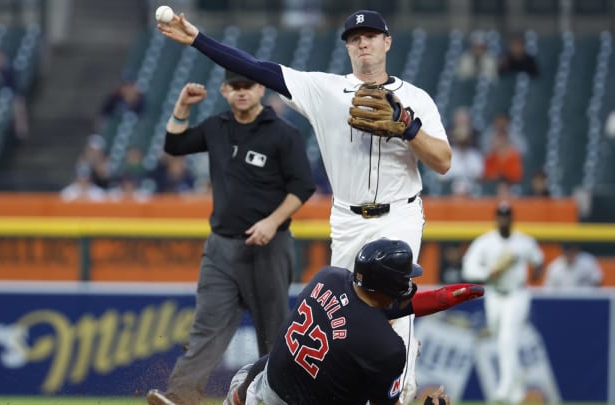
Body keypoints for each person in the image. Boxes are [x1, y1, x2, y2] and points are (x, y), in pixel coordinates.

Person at [156, 9, 452, 403]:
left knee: (393, 321)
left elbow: (443, 161)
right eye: (354, 37)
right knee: (331, 321)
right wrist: (198, 39)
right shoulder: (324, 89)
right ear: (347, 46)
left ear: (387, 42)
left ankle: (403, 391)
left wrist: (409, 126)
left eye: (371, 35)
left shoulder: (416, 99)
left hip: (399, 215)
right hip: (348, 219)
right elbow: (256, 68)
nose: (363, 42)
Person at [146, 70, 316, 405]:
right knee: (206, 329)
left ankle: (278, 400)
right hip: (221, 247)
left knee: (273, 338)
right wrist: (181, 107)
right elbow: (174, 144)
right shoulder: (216, 126)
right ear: (224, 90)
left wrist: (272, 222)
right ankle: (181, 397)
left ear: (259, 88)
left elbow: (303, 186)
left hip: (269, 247)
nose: (241, 92)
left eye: (247, 86)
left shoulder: (283, 134)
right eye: (234, 86)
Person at [145, 238, 482, 405]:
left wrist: (444, 298)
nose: (410, 284)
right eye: (405, 279)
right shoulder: (386, 348)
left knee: (263, 366)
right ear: (387, 286)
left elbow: (373, 311)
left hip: (255, 389)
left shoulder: (329, 277)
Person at [461, 202, 544, 404]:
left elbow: (539, 261)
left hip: (517, 294)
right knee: (500, 340)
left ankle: (505, 389)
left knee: (508, 337)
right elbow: (468, 269)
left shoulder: (523, 242)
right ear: (496, 218)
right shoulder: (485, 242)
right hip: (494, 293)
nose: (504, 219)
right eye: (501, 215)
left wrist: (533, 272)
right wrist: (489, 272)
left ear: (512, 219)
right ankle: (517, 386)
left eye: (507, 216)